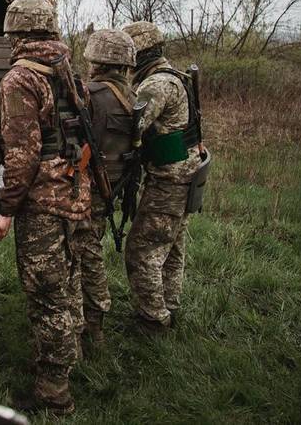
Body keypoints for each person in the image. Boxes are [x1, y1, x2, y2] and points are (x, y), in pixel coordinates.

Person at [0, 0, 90, 416]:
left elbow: (21, 155)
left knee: (46, 293)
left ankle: (54, 393)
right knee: (69, 279)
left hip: (44, 201)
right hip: (74, 189)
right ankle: (73, 354)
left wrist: (6, 208)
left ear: (15, 32)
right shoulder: (67, 68)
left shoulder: (20, 79)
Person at [121, 21, 203, 333]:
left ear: (138, 53)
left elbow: (132, 126)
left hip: (169, 180)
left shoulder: (155, 85)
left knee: (142, 250)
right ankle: (168, 307)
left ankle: (152, 319)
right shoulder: (176, 76)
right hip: (185, 174)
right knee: (171, 248)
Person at [72, 29, 137, 347]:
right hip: (114, 184)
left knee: (86, 250)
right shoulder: (133, 96)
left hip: (89, 186)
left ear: (96, 60)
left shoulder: (91, 93)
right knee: (89, 245)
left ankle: (93, 322)